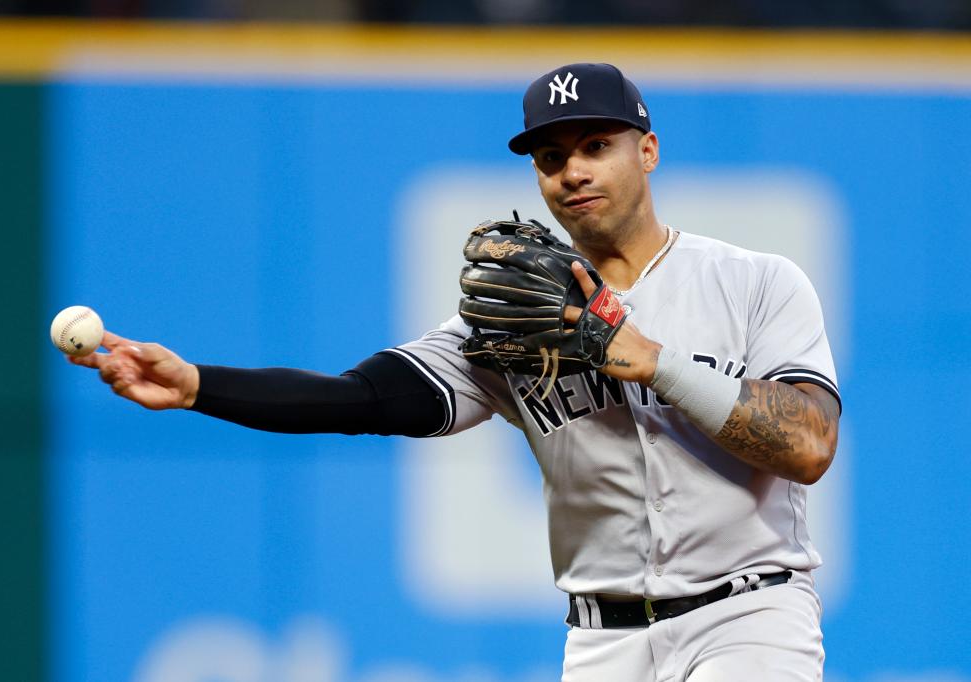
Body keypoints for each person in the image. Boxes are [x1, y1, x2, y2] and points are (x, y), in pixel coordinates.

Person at [71, 62, 841, 681]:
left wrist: (653, 361)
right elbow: (360, 399)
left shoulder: (755, 282)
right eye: (551, 157)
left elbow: (809, 446)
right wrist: (201, 385)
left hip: (750, 619)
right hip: (603, 645)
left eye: (594, 145)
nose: (571, 170)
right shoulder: (509, 320)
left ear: (647, 150)